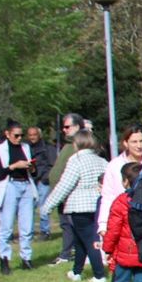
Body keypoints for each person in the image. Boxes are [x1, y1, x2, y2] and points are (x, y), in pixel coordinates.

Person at [41, 131, 109, 282]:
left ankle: (99, 275)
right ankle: (76, 271)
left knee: (90, 241)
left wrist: (47, 206)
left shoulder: (76, 160)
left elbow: (64, 186)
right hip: (99, 205)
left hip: (80, 207)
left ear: (78, 143)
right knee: (80, 240)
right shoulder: (102, 160)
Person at [0, 120, 38, 275]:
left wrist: (31, 167)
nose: (19, 138)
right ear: (7, 134)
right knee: (6, 226)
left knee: (27, 225)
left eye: (21, 135)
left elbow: (33, 172)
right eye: (16, 135)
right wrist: (14, 166)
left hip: (26, 185)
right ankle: (4, 259)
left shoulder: (26, 148)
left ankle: (26, 258)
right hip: (9, 186)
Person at [53, 114, 86, 266]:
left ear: (78, 127)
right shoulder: (67, 145)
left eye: (67, 127)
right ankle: (67, 253)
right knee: (66, 225)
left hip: (72, 195)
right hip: (61, 193)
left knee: (73, 226)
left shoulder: (80, 145)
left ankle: (71, 254)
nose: (64, 130)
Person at [27, 126, 56, 240]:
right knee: (29, 207)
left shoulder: (47, 148)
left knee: (43, 207)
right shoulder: (27, 148)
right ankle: (29, 231)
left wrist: (46, 178)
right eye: (30, 135)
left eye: (34, 135)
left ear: (39, 135)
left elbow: (52, 164)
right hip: (31, 181)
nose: (32, 137)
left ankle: (45, 231)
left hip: (43, 180)